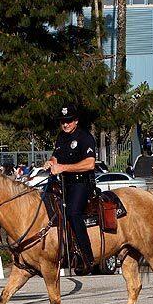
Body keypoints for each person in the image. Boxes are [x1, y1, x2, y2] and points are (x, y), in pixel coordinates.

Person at [43, 105, 97, 275]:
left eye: (68, 121)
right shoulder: (61, 137)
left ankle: (87, 256)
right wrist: (51, 162)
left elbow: (90, 164)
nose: (65, 125)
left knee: (73, 212)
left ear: (76, 121)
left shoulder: (85, 137)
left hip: (82, 184)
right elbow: (56, 156)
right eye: (62, 122)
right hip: (65, 184)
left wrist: (63, 168)